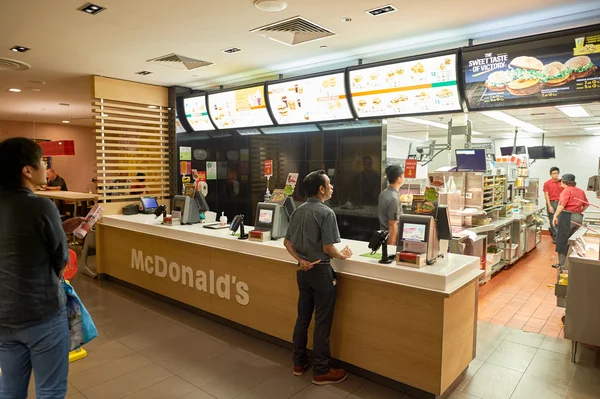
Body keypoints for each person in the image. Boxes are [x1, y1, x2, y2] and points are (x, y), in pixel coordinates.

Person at [0, 137, 70, 398]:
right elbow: (60, 259)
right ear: (27, 171)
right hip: (40, 312)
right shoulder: (41, 205)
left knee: (10, 387)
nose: (45, 167)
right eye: (42, 161)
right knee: (50, 390)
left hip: (4, 316)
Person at [283, 170, 353, 385]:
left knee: (302, 318)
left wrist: (301, 260)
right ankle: (322, 370)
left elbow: (287, 243)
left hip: (303, 273)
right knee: (322, 322)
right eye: (329, 184)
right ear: (321, 189)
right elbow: (328, 248)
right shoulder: (325, 213)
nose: (332, 187)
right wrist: (343, 255)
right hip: (321, 272)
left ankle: (298, 362)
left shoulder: (298, 211)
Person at [553, 173, 588, 268]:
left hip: (567, 217)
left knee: (562, 240)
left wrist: (555, 216)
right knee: (574, 241)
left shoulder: (566, 191)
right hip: (578, 217)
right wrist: (578, 211)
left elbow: (561, 205)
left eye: (561, 182)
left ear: (565, 182)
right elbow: (586, 204)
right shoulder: (581, 191)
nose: (560, 184)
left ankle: (562, 265)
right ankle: (573, 264)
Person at [378, 165, 405, 245]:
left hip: (383, 235)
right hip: (391, 238)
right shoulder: (394, 198)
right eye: (403, 176)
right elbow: (393, 225)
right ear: (399, 179)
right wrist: (391, 246)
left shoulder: (383, 193)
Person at [543, 166, 563, 243]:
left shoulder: (562, 182)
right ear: (550, 174)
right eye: (554, 173)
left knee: (561, 220)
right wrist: (549, 206)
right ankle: (555, 238)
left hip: (560, 203)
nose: (556, 175)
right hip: (551, 202)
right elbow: (546, 195)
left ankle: (561, 237)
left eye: (557, 173)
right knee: (552, 220)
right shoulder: (547, 183)